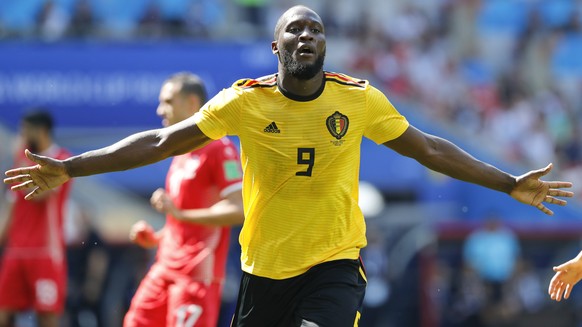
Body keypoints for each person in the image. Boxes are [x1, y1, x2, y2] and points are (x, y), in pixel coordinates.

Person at [3, 6, 574, 326]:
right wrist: (72, 168)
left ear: (326, 45)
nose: (307, 34)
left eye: (316, 28)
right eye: (294, 29)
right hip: (262, 272)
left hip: (333, 265)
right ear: (276, 49)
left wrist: (508, 183)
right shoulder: (245, 102)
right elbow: (160, 141)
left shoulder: (358, 99)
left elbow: (428, 148)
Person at [123, 72, 244, 327]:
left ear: (191, 103)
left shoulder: (220, 148)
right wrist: (157, 236)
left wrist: (179, 214)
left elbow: (238, 208)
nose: (160, 109)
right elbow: (183, 219)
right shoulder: (181, 152)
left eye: (167, 101)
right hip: (164, 267)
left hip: (197, 276)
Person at [0, 109, 72, 327]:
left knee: (47, 316)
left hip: (45, 252)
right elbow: (11, 207)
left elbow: (42, 193)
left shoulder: (61, 160)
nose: (21, 136)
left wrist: (22, 161)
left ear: (41, 131)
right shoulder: (18, 164)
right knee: (3, 313)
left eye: (25, 130)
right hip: (16, 250)